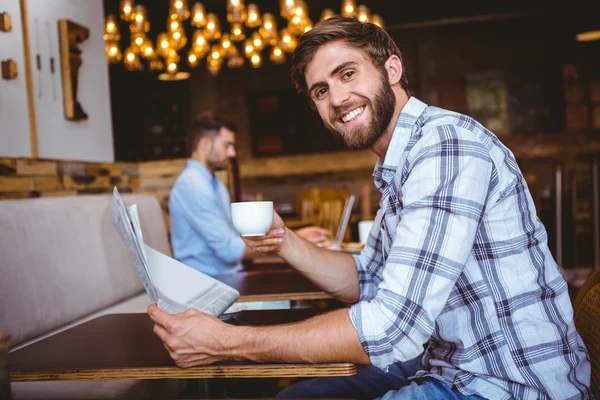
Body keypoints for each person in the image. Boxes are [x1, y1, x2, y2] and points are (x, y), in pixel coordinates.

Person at [150, 16, 591, 399]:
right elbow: (367, 280)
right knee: (300, 395)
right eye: (320, 90)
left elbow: (388, 328)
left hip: (510, 384)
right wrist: (284, 241)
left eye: (347, 74)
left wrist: (226, 342)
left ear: (392, 69)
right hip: (450, 364)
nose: (337, 99)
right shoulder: (398, 162)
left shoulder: (444, 146)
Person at [168, 116, 330, 276]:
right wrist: (294, 238)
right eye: (227, 145)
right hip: (207, 282)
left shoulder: (213, 184)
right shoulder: (192, 186)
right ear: (204, 144)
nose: (232, 153)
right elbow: (230, 251)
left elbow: (235, 237)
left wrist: (291, 237)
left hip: (228, 275)